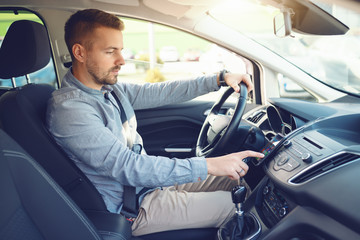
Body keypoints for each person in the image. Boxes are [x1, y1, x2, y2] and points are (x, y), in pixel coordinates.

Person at [46, 9, 264, 236]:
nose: (121, 60)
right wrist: (209, 165)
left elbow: (162, 92)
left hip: (148, 185)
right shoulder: (70, 110)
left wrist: (218, 79)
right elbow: (127, 166)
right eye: (110, 52)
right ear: (79, 53)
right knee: (240, 206)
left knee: (239, 184)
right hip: (132, 207)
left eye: (120, 50)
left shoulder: (108, 90)